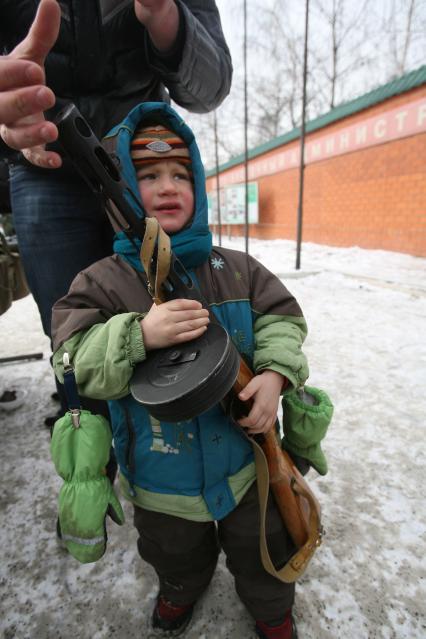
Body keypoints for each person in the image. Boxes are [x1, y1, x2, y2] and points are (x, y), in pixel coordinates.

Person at [50, 101, 322, 639]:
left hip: (250, 470)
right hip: (159, 479)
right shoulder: (102, 283)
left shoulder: (237, 268)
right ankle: (180, 591)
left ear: (198, 183)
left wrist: (273, 376)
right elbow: (74, 360)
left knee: (265, 546)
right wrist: (137, 335)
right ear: (123, 188)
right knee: (172, 552)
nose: (168, 186)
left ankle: (271, 609)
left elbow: (283, 322)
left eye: (181, 173)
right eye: (148, 176)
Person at [0, 0, 232, 423]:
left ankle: (155, 450)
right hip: (41, 167)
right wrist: (9, 97)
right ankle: (89, 448)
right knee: (69, 329)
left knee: (167, 307)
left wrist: (165, 16)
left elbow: (211, 87)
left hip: (138, 170)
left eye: (184, 178)